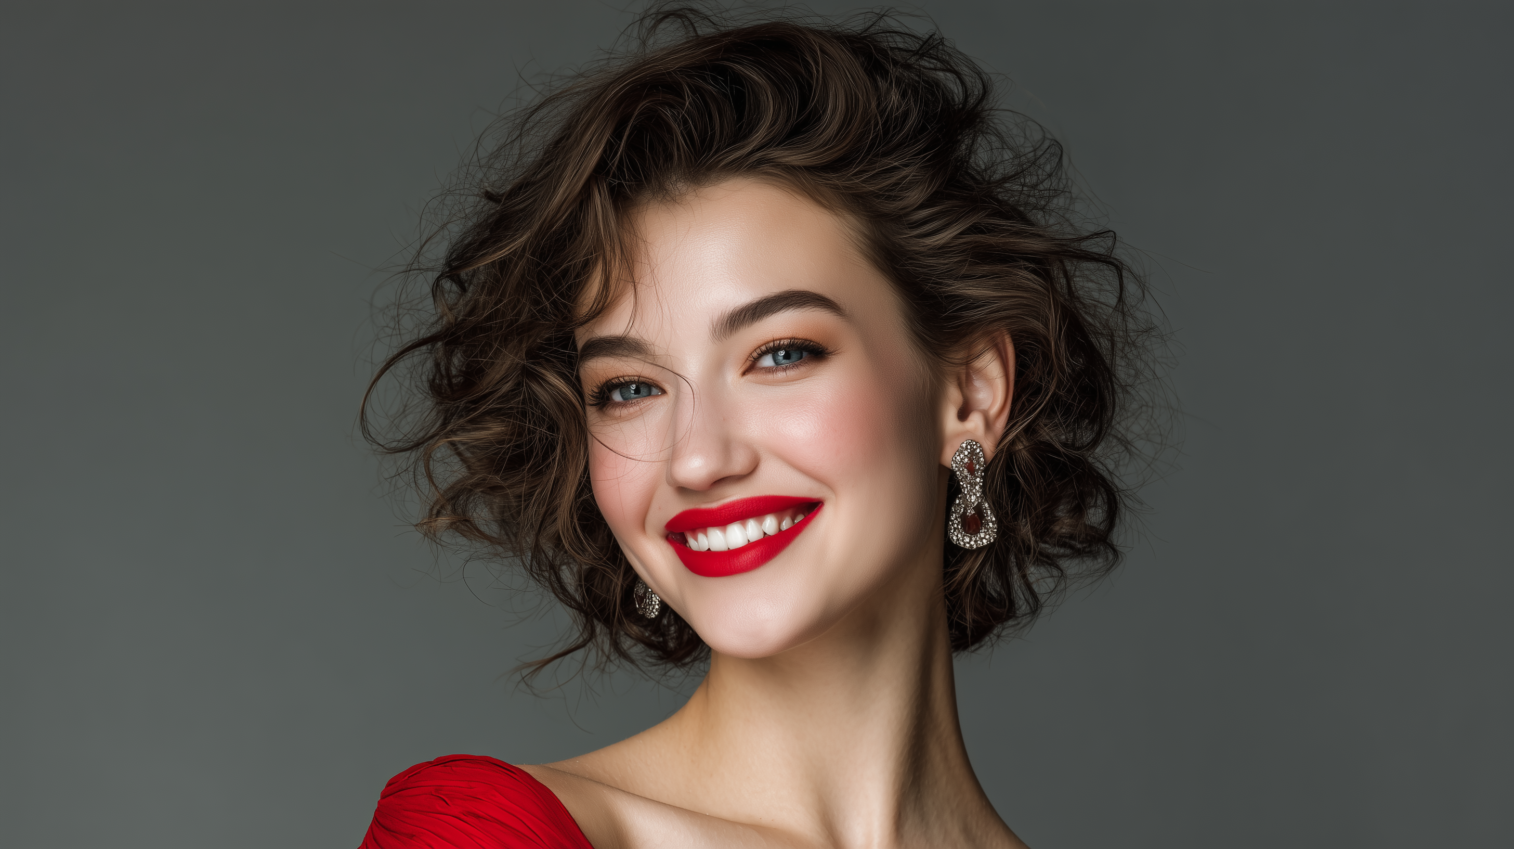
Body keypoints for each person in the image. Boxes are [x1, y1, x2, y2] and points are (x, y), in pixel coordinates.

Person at [359, 7, 1158, 847]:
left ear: (970, 393)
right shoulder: (494, 833)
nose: (698, 459)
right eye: (629, 388)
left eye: (778, 354)